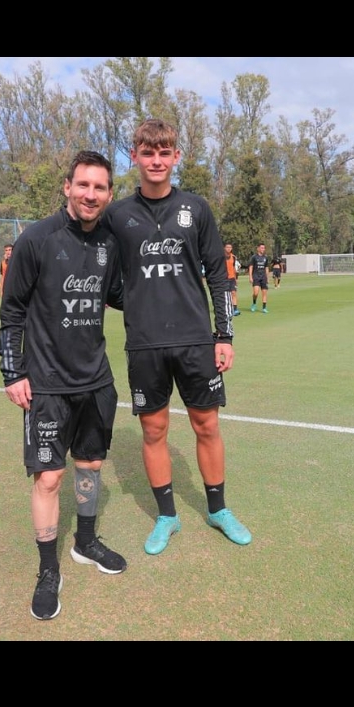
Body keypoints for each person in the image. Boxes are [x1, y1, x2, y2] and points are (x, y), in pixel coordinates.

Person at [101, 118, 250, 554]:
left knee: (207, 425)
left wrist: (224, 336)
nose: (156, 161)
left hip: (196, 341)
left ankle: (218, 509)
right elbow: (103, 275)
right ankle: (167, 516)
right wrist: (136, 302)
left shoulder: (196, 209)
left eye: (164, 153)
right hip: (144, 344)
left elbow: (218, 275)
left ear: (176, 157)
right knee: (154, 431)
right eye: (148, 153)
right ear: (134, 156)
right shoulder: (117, 215)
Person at [0, 150, 127, 621]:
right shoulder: (36, 239)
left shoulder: (109, 242)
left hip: (96, 380)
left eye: (100, 187)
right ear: (67, 187)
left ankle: (85, 542)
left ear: (108, 194)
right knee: (49, 478)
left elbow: (119, 295)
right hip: (47, 385)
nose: (91, 194)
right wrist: (13, 373)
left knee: (90, 465)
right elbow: (12, 312)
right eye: (83, 185)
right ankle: (48, 569)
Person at [249, 243, 269, 313]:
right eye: (261, 248)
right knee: (256, 293)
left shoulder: (265, 257)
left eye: (264, 248)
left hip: (263, 277)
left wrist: (267, 277)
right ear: (258, 248)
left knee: (264, 293)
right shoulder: (254, 257)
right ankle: (254, 303)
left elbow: (266, 268)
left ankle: (264, 308)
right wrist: (250, 277)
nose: (263, 249)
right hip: (256, 276)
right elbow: (251, 267)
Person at [224, 242, 240, 318]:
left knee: (233, 293)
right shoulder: (221, 257)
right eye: (227, 247)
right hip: (224, 278)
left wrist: (235, 278)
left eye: (230, 247)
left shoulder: (233, 257)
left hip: (232, 278)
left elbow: (234, 268)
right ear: (224, 248)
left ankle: (235, 309)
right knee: (226, 294)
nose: (229, 249)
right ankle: (226, 309)